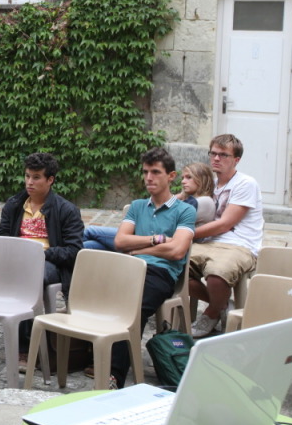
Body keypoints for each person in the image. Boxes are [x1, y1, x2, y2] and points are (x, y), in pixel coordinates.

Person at [0, 152, 82, 369]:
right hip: (12, 257)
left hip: (46, 262)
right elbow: (1, 235)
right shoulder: (15, 204)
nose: (30, 182)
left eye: (36, 177)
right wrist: (5, 251)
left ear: (50, 180)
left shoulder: (66, 210)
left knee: (29, 276)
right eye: (27, 176)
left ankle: (25, 348)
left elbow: (74, 251)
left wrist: (40, 253)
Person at [104, 148, 195, 388]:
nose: (148, 178)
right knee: (97, 297)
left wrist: (139, 249)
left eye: (155, 172)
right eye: (145, 172)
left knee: (133, 307)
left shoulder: (185, 210)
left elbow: (177, 251)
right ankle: (94, 358)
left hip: (161, 273)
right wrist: (156, 240)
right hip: (130, 267)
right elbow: (120, 241)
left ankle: (113, 376)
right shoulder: (137, 206)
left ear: (171, 176)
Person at [188, 133, 264, 338]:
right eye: (213, 153)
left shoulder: (246, 183)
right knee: (173, 268)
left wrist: (187, 234)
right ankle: (221, 304)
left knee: (218, 272)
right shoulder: (210, 184)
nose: (216, 158)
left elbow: (225, 224)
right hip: (208, 243)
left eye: (223, 155)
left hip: (239, 245)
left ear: (236, 160)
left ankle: (211, 312)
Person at [82, 160, 213, 252]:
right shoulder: (193, 199)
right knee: (90, 245)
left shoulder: (202, 202)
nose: (183, 181)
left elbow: (171, 212)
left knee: (91, 231)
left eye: (189, 177)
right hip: (151, 237)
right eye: (183, 178)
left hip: (158, 241)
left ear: (201, 179)